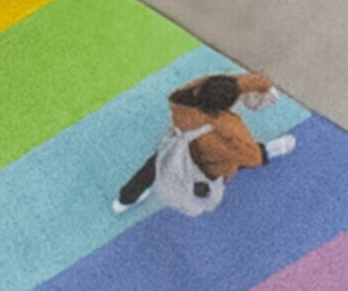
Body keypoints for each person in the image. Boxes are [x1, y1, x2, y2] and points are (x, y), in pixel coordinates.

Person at [111, 72, 295, 217]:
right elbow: (247, 154)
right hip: (205, 164)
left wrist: (254, 84)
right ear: (225, 106)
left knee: (153, 166)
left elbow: (217, 82)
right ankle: (270, 151)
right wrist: (259, 155)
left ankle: (125, 199)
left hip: (177, 144)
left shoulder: (183, 98)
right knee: (234, 162)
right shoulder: (225, 127)